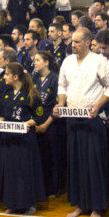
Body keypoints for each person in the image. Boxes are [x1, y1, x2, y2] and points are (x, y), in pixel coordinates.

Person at [58, 28, 109, 217]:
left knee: (94, 163)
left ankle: (97, 206)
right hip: (72, 117)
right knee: (76, 162)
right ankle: (81, 204)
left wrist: (98, 105)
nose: (72, 44)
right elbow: (62, 85)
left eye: (77, 42)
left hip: (92, 119)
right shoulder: (67, 61)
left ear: (88, 42)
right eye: (72, 41)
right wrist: (60, 103)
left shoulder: (99, 60)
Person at [0, 62, 46, 214]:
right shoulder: (6, 93)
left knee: (24, 171)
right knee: (10, 171)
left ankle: (30, 204)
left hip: (24, 140)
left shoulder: (32, 94)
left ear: (15, 76)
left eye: (6, 74)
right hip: (8, 139)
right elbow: (3, 114)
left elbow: (39, 116)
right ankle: (12, 203)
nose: (4, 77)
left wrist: (26, 124)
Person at [32, 50, 64, 197]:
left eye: (38, 60)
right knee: (39, 156)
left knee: (52, 156)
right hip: (36, 123)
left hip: (51, 124)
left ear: (46, 62)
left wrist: (46, 124)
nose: (34, 63)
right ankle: (41, 187)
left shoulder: (55, 79)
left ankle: (54, 188)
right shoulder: (34, 78)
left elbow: (57, 106)